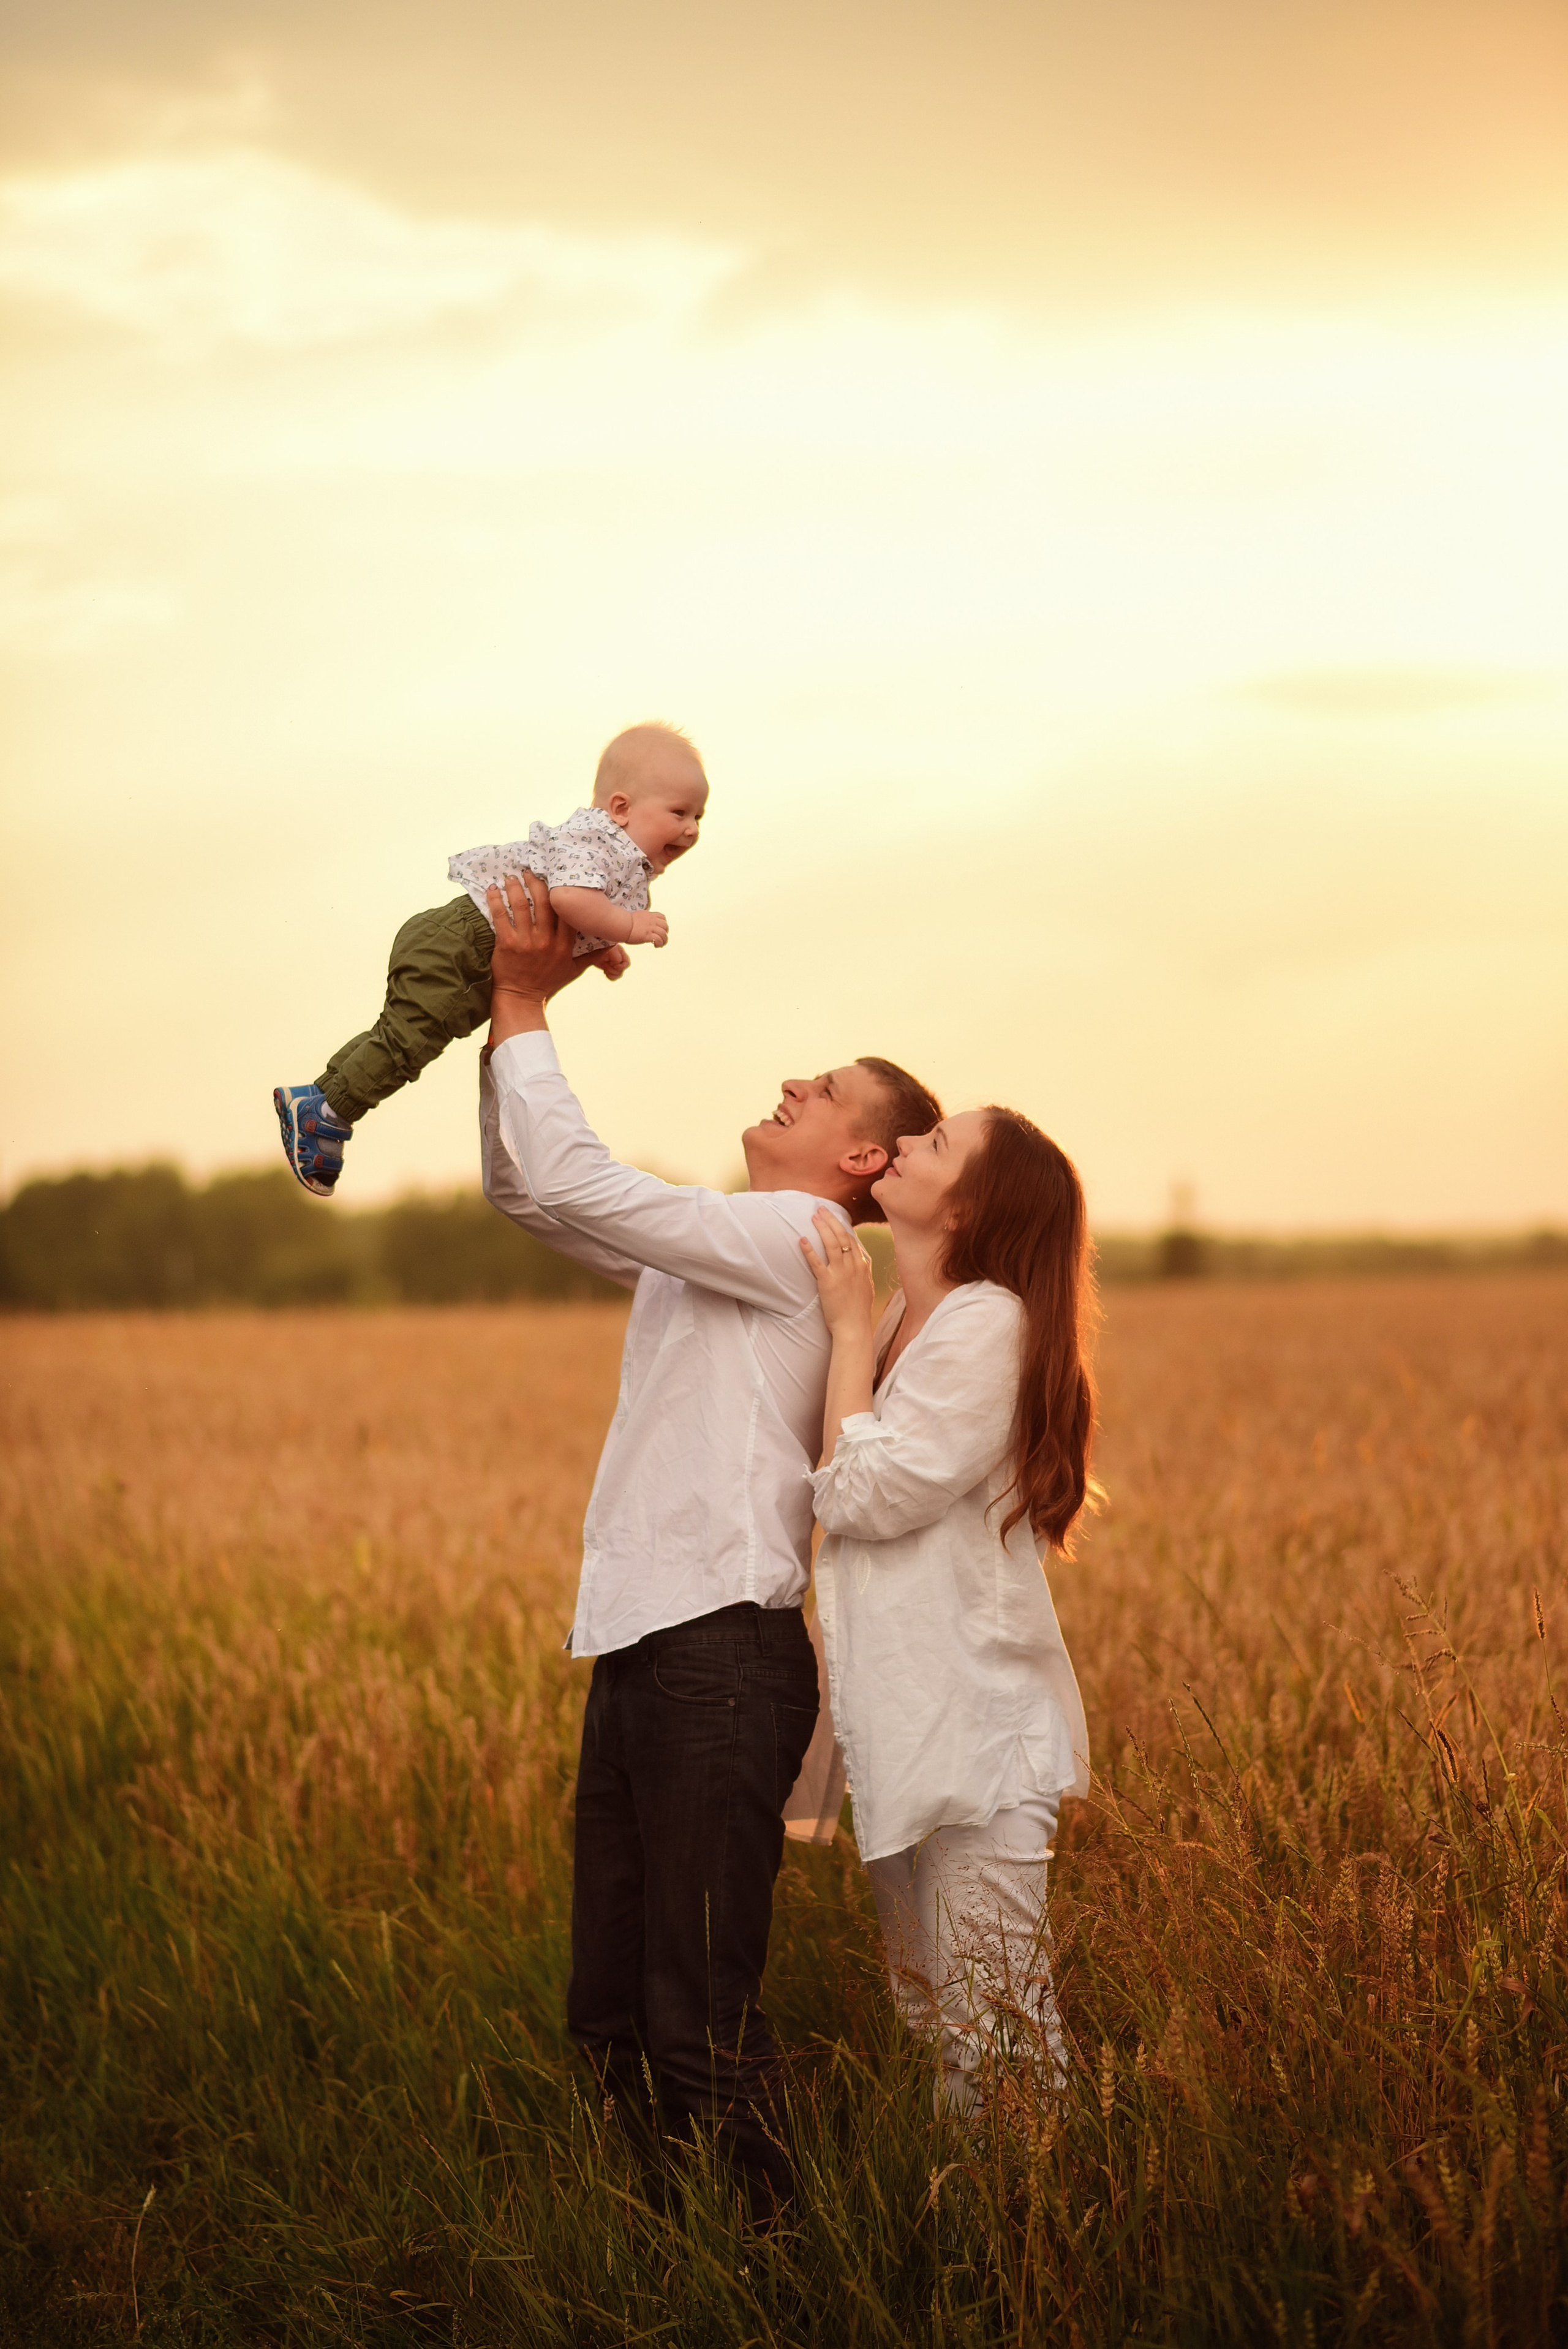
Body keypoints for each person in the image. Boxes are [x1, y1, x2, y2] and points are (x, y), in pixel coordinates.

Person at [476, 867, 941, 2208]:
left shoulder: (793, 1233)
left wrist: (517, 997)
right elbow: (531, 1196)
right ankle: (653, 2248)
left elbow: (564, 1173)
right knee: (616, 2017)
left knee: (698, 2027)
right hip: (652, 1651)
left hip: (716, 1666)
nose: (793, 1080)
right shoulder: (731, 1242)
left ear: (858, 1162)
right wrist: (502, 1018)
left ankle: (782, 2278)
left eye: (828, 1088)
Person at [798, 1104, 1095, 2116]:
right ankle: (970, 2251)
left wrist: (843, 1328)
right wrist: (857, 1328)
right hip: (908, 1723)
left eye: (940, 1144)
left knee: (997, 2026)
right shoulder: (901, 1321)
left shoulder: (988, 1322)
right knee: (933, 2016)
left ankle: (1029, 2253)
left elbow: (865, 1495)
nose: (913, 1141)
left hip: (975, 1734)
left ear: (969, 1205)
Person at [273, 723, 707, 1196]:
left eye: (700, 816)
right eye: (680, 812)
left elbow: (576, 910)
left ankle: (320, 1099)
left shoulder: (614, 857)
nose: (692, 829)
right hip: (467, 945)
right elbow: (566, 898)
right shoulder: (601, 841)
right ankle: (330, 1110)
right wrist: (627, 927)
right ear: (621, 808)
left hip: (466, 946)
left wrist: (603, 947)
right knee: (411, 1041)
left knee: (402, 1034)